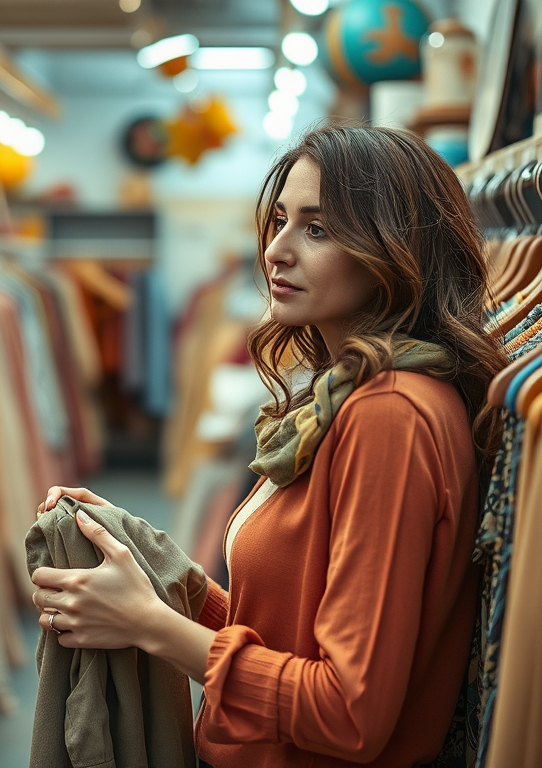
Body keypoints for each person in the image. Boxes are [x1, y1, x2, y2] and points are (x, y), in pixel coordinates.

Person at [31, 123, 507, 768]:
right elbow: (290, 636)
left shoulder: (389, 415)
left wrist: (150, 623)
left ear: (394, 249)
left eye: (317, 229)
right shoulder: (349, 398)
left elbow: (348, 711)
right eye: (280, 221)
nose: (276, 251)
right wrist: (167, 579)